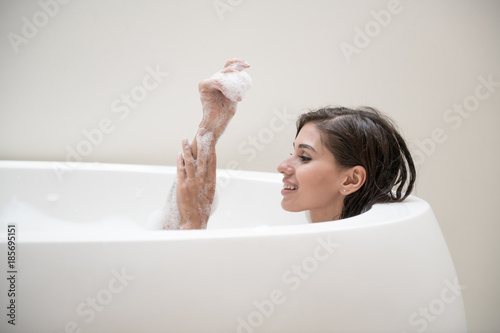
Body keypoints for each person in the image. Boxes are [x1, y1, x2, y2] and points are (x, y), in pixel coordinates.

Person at [172, 59, 416, 230]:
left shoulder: (339, 260)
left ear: (351, 180)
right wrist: (210, 129)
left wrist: (193, 223)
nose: (282, 166)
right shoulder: (314, 242)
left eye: (305, 157)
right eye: (293, 152)